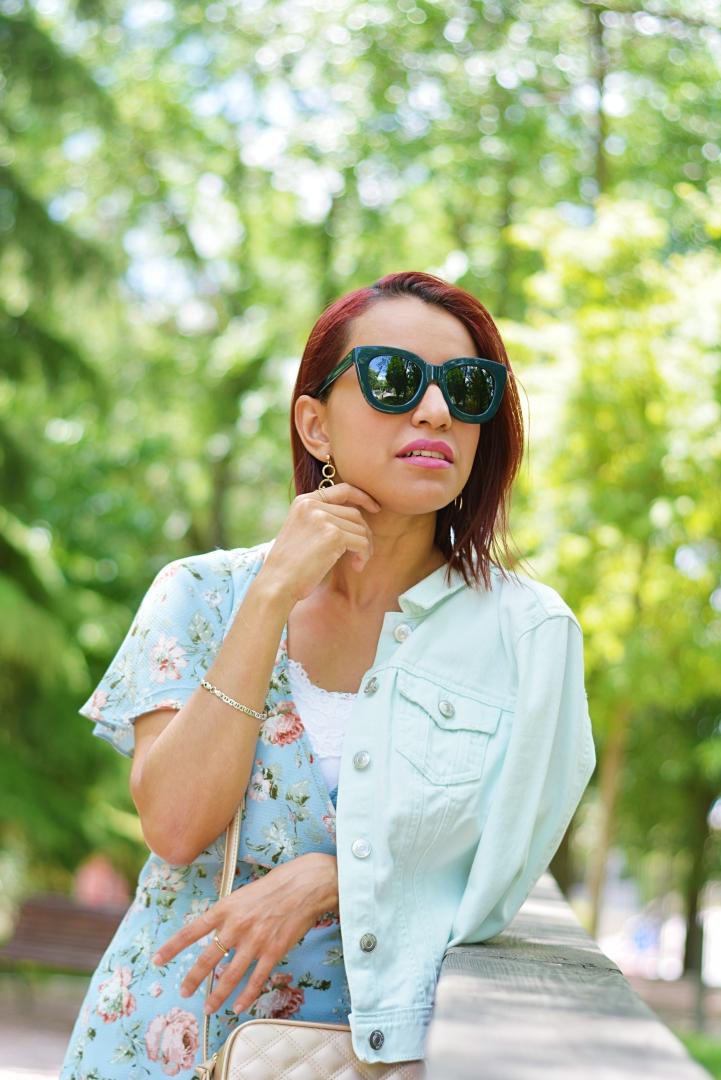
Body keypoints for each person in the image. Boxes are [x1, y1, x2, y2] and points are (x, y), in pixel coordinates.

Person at [60, 270, 596, 1078]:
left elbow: (499, 875)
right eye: (393, 379)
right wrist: (271, 594)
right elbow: (175, 824)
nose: (436, 411)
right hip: (157, 1040)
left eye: (468, 388)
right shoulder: (201, 594)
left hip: (354, 1057)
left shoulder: (528, 637)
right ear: (314, 424)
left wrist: (333, 876)